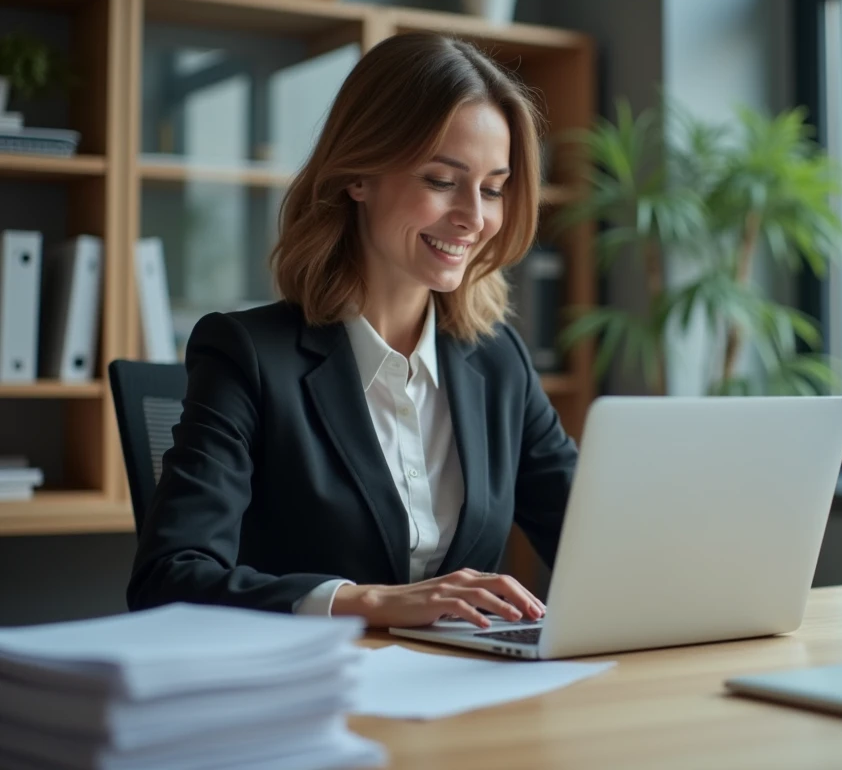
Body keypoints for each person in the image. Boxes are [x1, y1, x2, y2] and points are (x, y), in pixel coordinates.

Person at [126, 32, 578, 631]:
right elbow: (168, 578)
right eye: (442, 180)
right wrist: (364, 601)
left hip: (464, 698)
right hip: (309, 696)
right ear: (358, 176)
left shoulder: (498, 362)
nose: (475, 215)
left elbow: (595, 542)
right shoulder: (246, 356)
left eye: (493, 188)